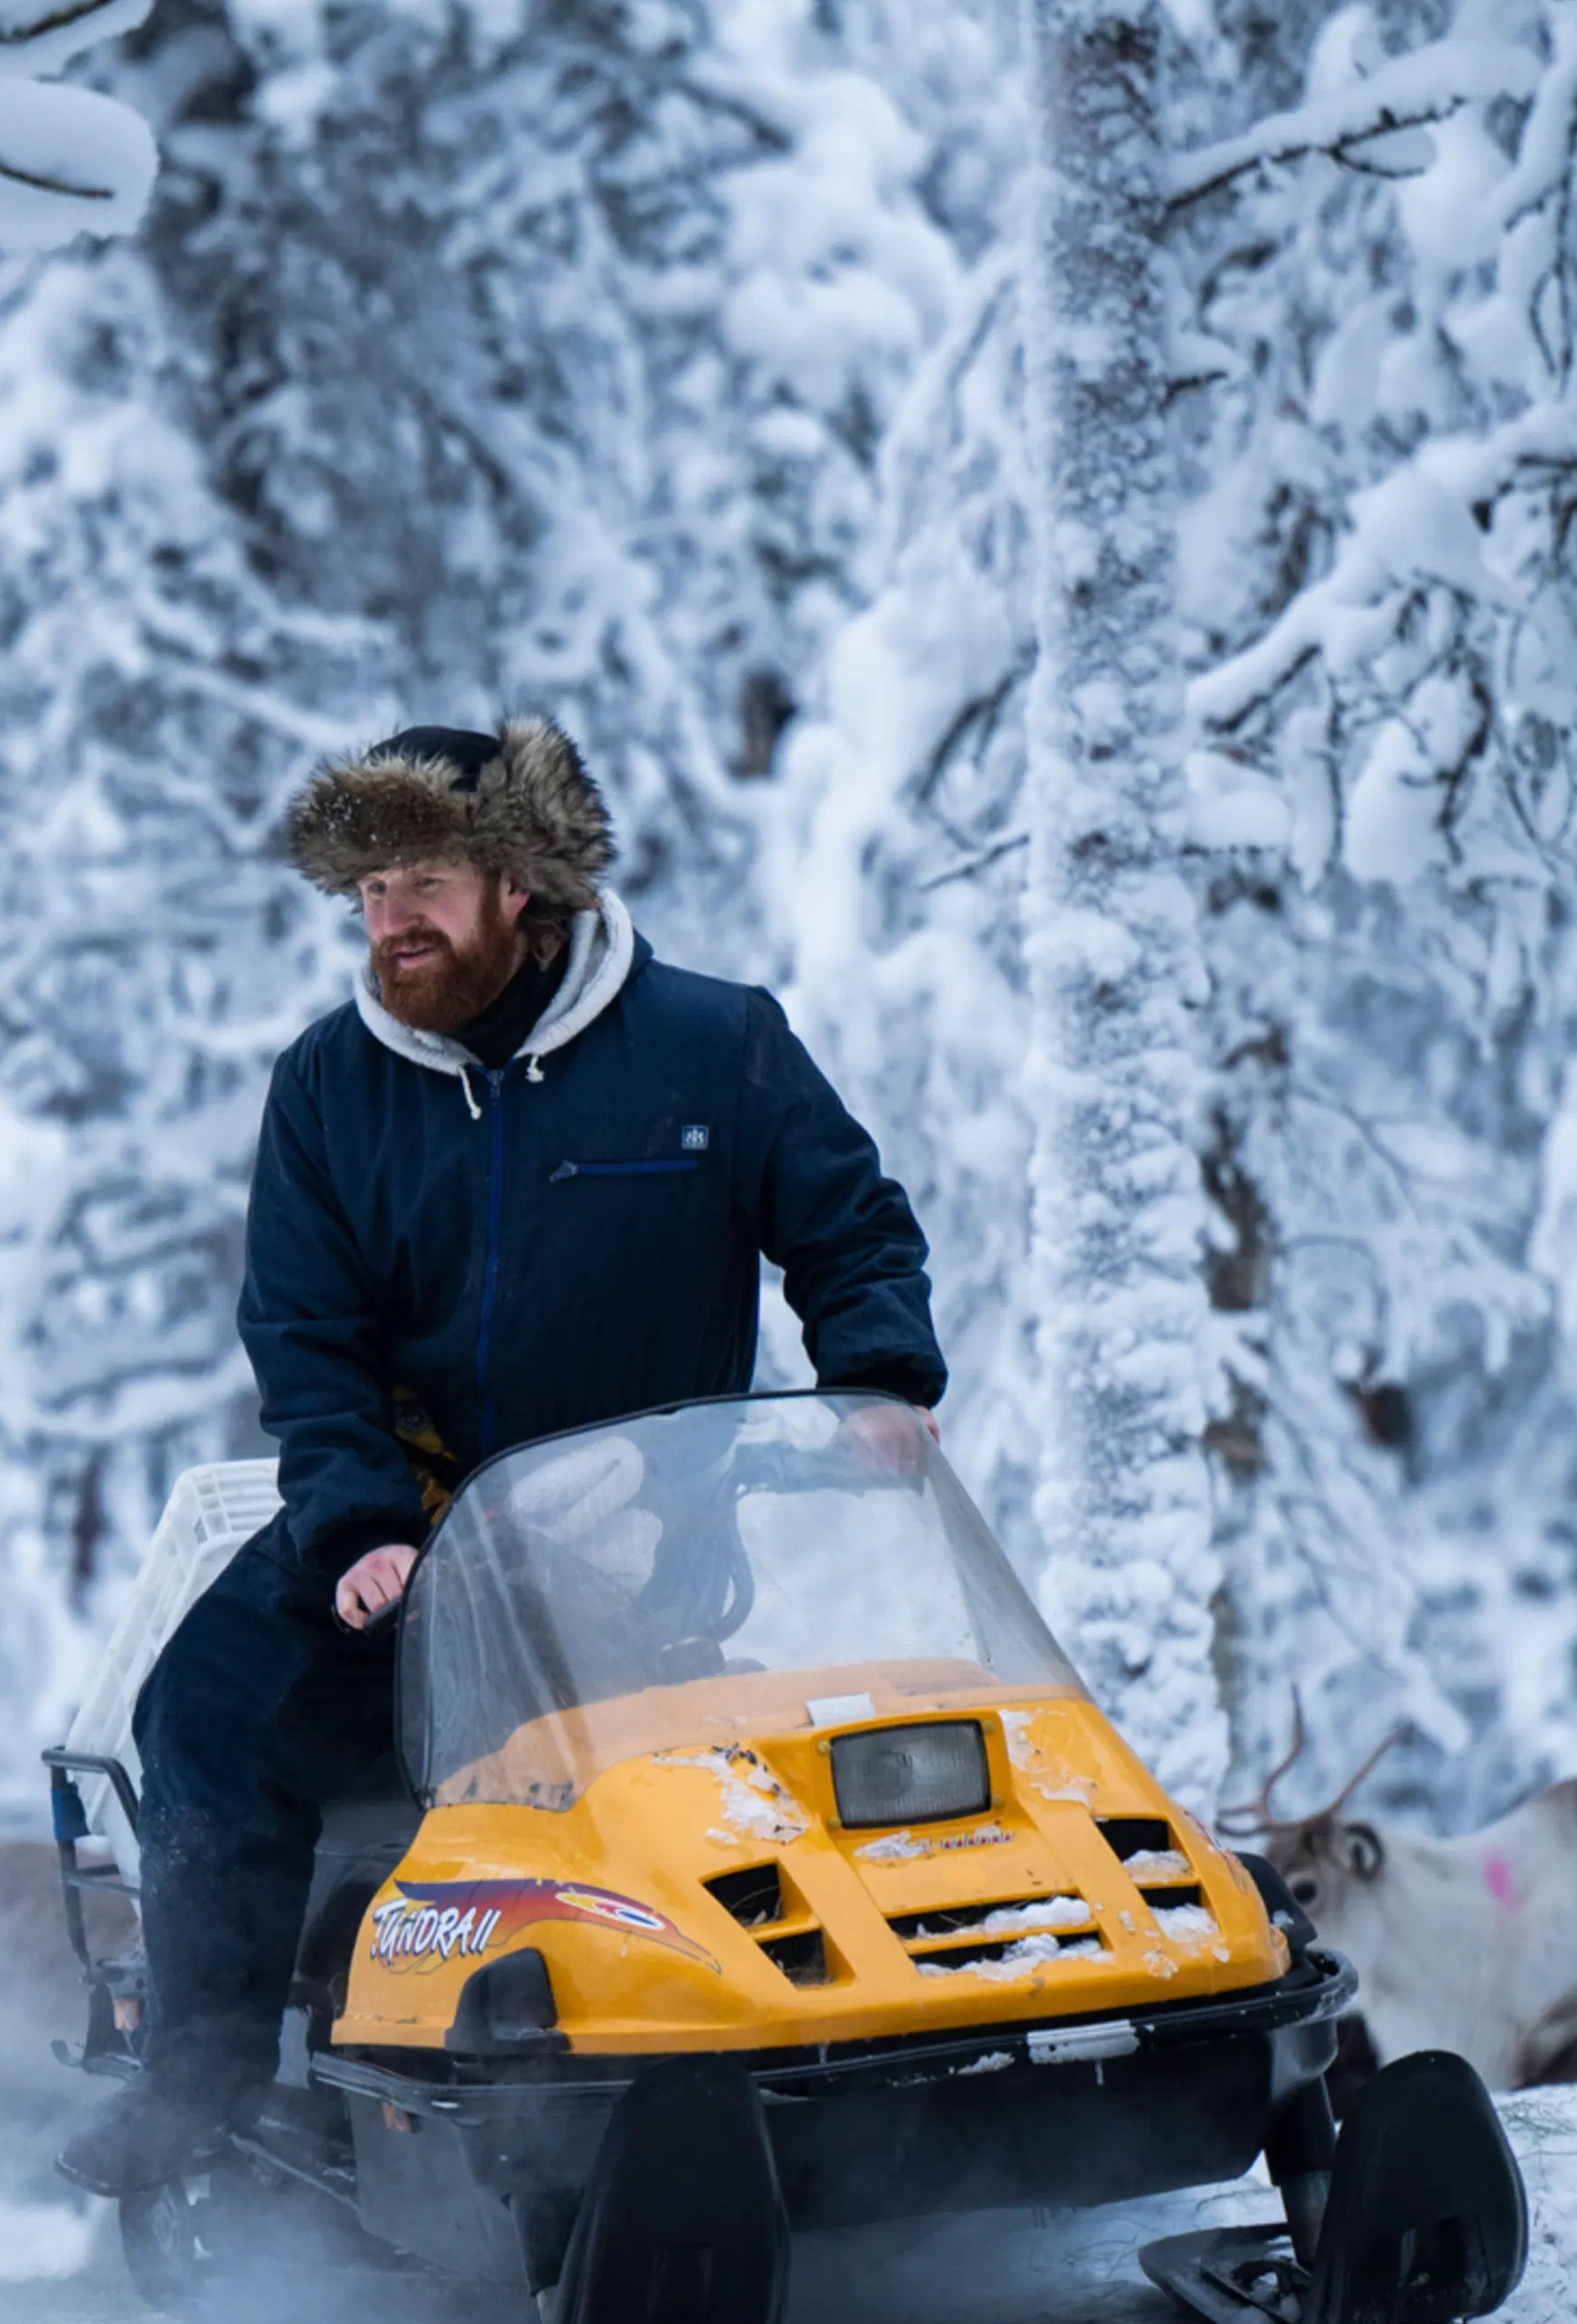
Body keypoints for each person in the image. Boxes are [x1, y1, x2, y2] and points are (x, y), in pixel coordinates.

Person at [60, 716, 946, 2195]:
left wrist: (877, 1377)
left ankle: (853, 2051)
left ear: (516, 881)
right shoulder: (329, 1087)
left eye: (415, 882)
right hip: (398, 1544)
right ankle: (200, 2074)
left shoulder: (712, 1046)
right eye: (364, 894)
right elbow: (306, 1337)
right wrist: (358, 1530)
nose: (385, 923)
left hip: (636, 1550)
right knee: (202, 1705)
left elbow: (851, 1224)